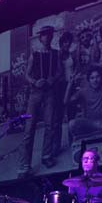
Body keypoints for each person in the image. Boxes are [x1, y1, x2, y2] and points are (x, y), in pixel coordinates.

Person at [18, 25, 63, 178]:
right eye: (44, 35)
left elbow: (59, 72)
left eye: (50, 34)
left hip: (49, 92)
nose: (47, 37)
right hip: (35, 93)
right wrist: (35, 82)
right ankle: (25, 165)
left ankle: (46, 156)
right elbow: (27, 75)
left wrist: (53, 79)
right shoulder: (34, 54)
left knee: (50, 125)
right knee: (29, 129)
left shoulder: (56, 54)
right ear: (40, 37)